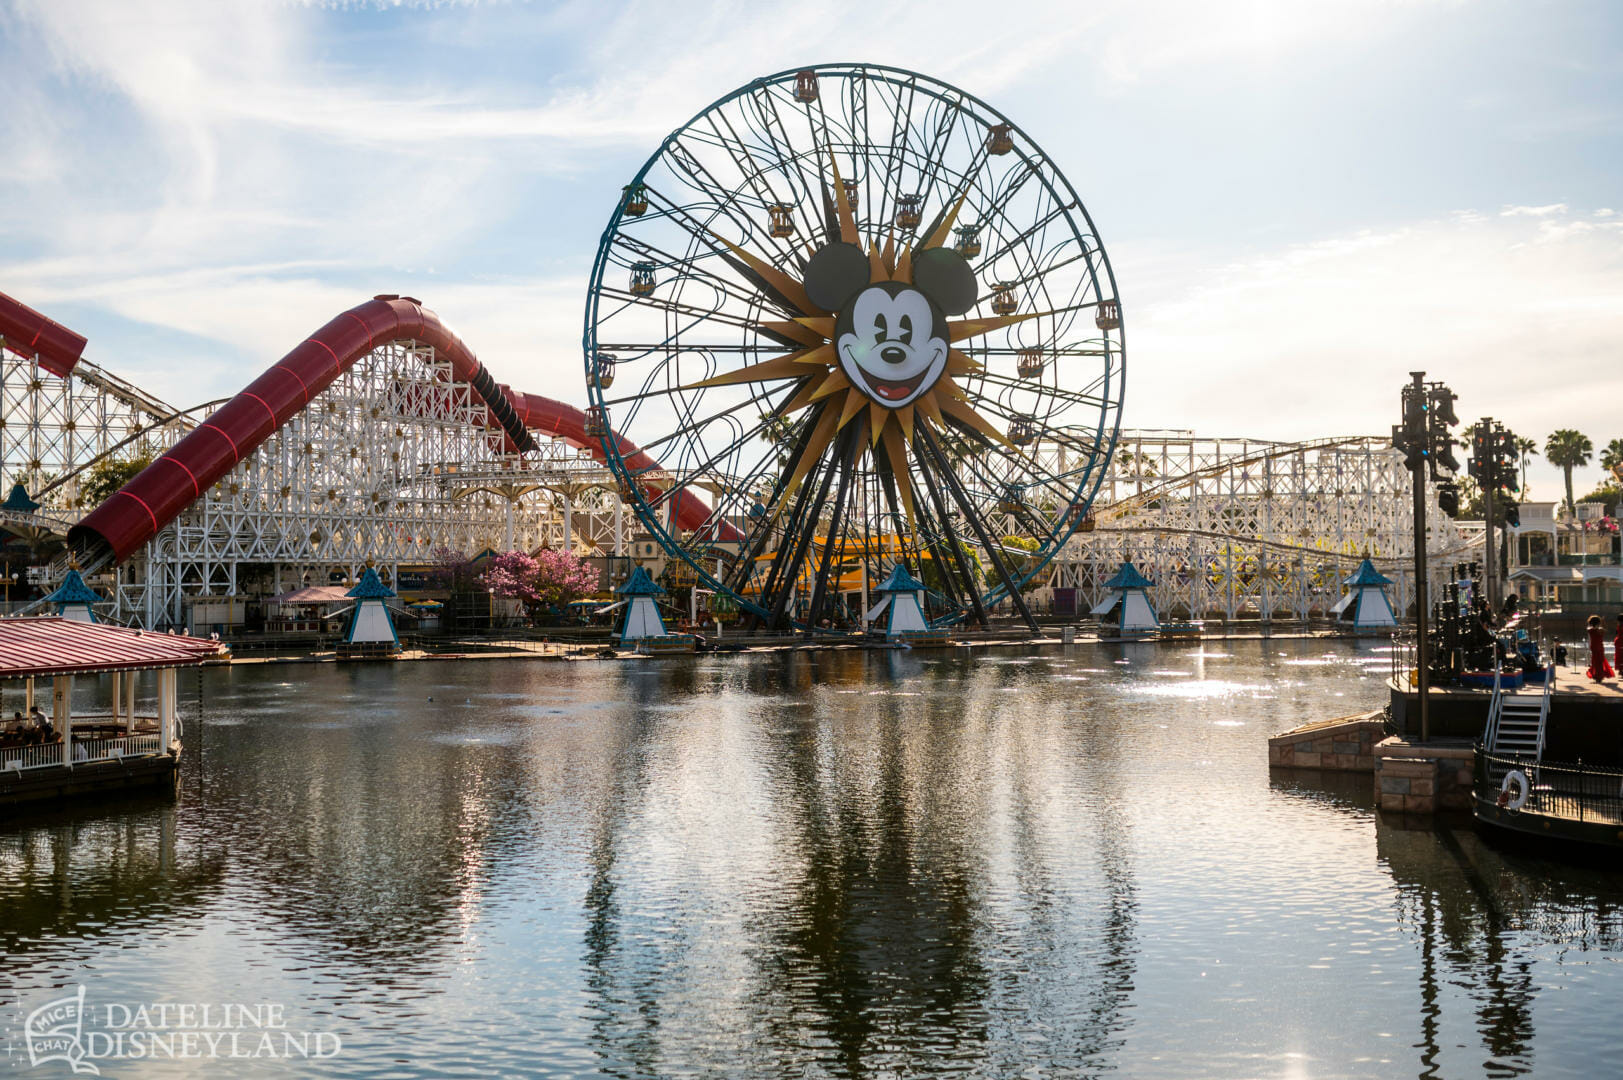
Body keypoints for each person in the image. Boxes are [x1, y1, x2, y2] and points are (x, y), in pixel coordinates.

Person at [1586, 615, 1615, 683]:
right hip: (1600, 647)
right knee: (1600, 661)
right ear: (1598, 623)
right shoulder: (1601, 630)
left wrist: (1599, 622)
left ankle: (1596, 675)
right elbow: (1605, 629)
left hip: (1594, 647)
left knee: (1594, 661)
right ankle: (1599, 675)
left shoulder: (1590, 630)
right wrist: (1602, 622)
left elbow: (1589, 627)